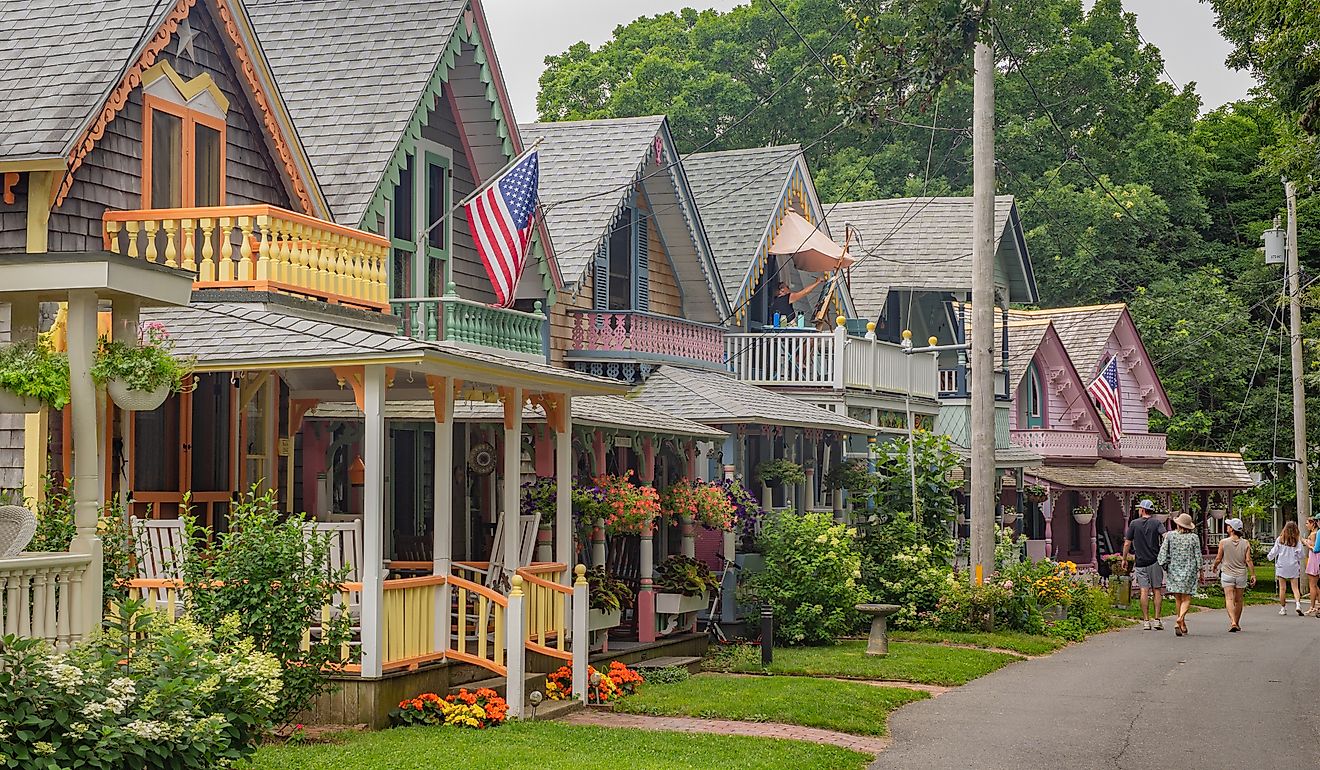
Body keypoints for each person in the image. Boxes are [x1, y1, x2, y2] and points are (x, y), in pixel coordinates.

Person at [1123, 499, 1167, 630]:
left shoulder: (1134, 524)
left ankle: (1146, 621)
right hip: (1155, 560)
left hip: (1140, 561)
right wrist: (1164, 552)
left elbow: (1127, 543)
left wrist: (1124, 558)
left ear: (1142, 510)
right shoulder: (1157, 523)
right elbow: (1165, 536)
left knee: (1144, 590)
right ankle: (1157, 619)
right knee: (1157, 589)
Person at [1158, 513, 1203, 637]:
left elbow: (1163, 552)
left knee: (1178, 597)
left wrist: (1164, 565)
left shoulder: (1170, 536)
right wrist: (1201, 570)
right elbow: (1198, 555)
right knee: (1187, 598)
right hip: (1189, 569)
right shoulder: (1193, 538)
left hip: (1174, 569)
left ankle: (1180, 621)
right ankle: (1180, 620)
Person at [1212, 517, 1256, 632]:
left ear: (1232, 529)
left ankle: (1232, 622)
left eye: (1229, 526)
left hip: (1227, 573)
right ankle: (1236, 622)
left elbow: (1218, 558)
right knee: (1239, 600)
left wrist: (1215, 566)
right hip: (1241, 574)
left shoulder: (1223, 542)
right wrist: (1253, 574)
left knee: (1229, 598)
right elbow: (1248, 560)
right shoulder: (1245, 543)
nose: (1227, 527)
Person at [1267, 520, 1307, 616]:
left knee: (1282, 588)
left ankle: (1283, 608)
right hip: (1293, 565)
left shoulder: (1280, 539)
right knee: (1295, 588)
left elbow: (1274, 551)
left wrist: (1269, 557)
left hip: (1282, 565)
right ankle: (1298, 604)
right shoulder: (1297, 541)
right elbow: (1301, 555)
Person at [1307, 516, 1320, 616]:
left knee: (1313, 584)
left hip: (1315, 560)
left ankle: (1312, 606)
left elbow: (1315, 549)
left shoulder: (1316, 533)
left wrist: (1307, 544)